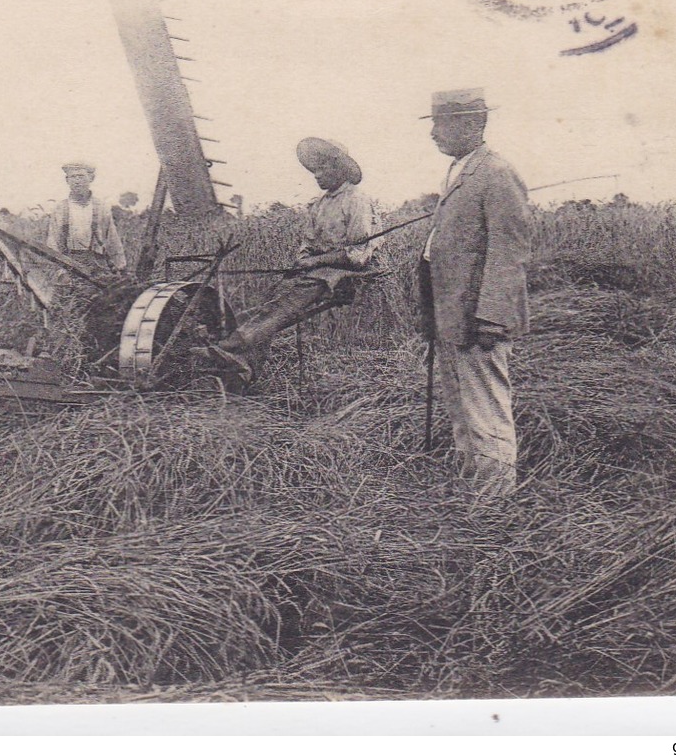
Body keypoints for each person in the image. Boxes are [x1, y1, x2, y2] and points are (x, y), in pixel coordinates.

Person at [420, 88, 532, 498]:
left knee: (486, 410)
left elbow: (509, 250)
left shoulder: (497, 173)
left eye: (441, 124)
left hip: (477, 317)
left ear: (473, 124)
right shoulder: (461, 170)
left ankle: (495, 504)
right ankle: (474, 491)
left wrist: (492, 317)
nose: (433, 133)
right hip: (453, 314)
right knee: (463, 411)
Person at [212, 137, 381, 378]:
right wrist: (302, 260)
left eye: (322, 169)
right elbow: (308, 243)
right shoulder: (319, 205)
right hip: (317, 269)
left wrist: (315, 262)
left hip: (346, 271)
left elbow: (358, 254)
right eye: (314, 170)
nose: (317, 175)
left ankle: (234, 344)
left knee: (290, 300)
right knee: (273, 294)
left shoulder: (356, 200)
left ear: (338, 169)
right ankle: (246, 366)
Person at [45, 160, 128, 279]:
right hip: (69, 265)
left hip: (98, 266)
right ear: (67, 180)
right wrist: (59, 271)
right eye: (73, 177)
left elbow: (112, 239)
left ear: (91, 178)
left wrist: (120, 267)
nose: (77, 181)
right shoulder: (60, 208)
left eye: (81, 176)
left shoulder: (101, 207)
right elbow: (53, 242)